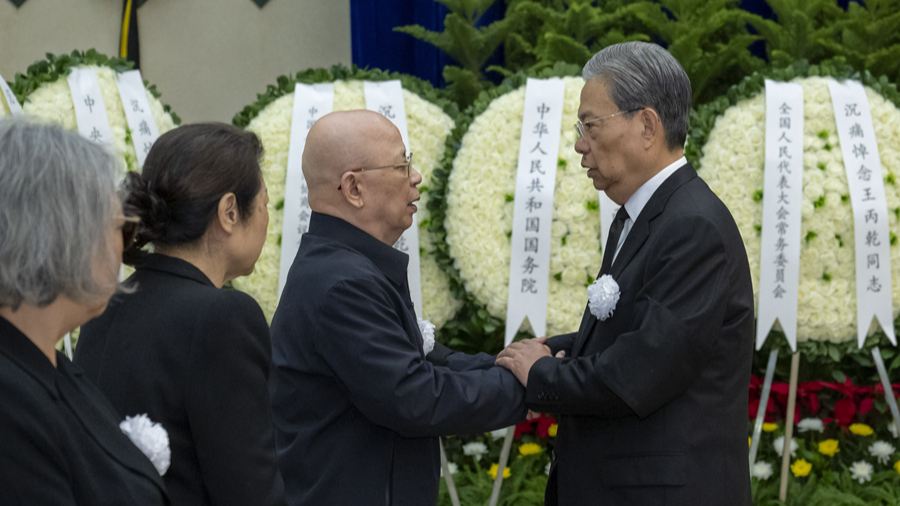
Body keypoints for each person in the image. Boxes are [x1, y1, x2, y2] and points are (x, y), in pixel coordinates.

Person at [496, 41, 755, 505]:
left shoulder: (692, 225)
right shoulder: (646, 214)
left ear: (647, 125)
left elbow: (640, 371)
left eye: (590, 125)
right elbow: (626, 334)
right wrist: (549, 351)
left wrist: (542, 377)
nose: (579, 144)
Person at [270, 110, 527, 506]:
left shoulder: (346, 267)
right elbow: (416, 397)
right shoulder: (343, 284)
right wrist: (535, 383)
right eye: (401, 163)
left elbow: (423, 364)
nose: (416, 175)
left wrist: (519, 362)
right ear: (354, 188)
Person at [74, 123, 285, 506]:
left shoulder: (108, 301)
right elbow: (250, 491)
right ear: (229, 212)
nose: (268, 219)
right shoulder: (223, 316)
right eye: (266, 204)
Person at [0, 119, 168, 505]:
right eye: (119, 227)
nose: (124, 246)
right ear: (63, 236)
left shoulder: (52, 367)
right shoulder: (11, 402)